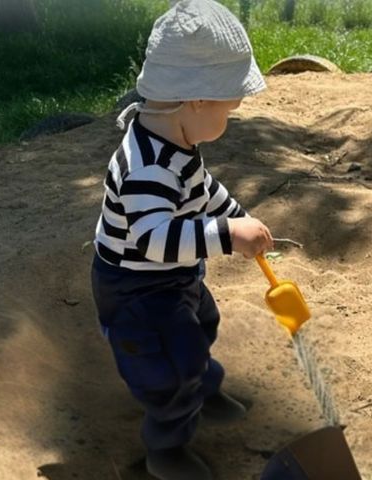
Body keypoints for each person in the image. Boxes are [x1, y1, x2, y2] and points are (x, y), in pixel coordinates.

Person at [90, 1, 273, 479]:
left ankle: (202, 388)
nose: (230, 119)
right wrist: (227, 235)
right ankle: (166, 449)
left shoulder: (176, 141)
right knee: (170, 369)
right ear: (196, 101)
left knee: (201, 323)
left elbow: (201, 188)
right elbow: (153, 239)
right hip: (136, 289)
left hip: (172, 277)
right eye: (229, 109)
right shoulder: (148, 167)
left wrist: (237, 216)